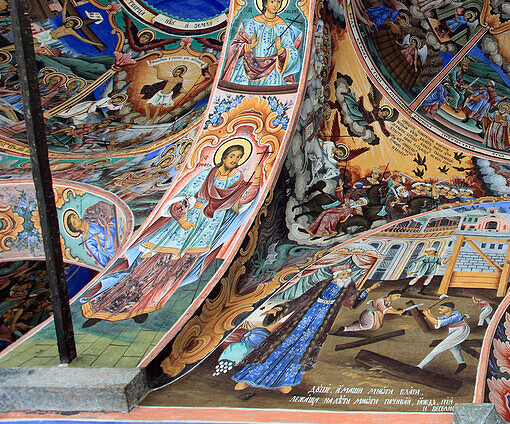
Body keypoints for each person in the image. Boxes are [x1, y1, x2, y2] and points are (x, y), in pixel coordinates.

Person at [81, 138, 259, 324]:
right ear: (223, 157)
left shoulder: (237, 180)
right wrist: (182, 219)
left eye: (239, 157)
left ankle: (146, 305)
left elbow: (240, 205)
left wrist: (254, 184)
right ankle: (110, 304)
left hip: (206, 231)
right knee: (151, 265)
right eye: (232, 156)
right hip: (182, 228)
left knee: (175, 272)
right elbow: (183, 196)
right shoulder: (206, 174)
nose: (235, 160)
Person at [232, 264, 362, 393]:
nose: (346, 277)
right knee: (279, 347)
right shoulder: (322, 284)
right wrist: (279, 309)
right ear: (335, 276)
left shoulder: (348, 287)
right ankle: (248, 378)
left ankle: (285, 382)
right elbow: (301, 299)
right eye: (343, 275)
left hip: (320, 324)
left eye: (347, 274)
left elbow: (351, 302)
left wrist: (364, 294)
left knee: (301, 351)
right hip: (302, 319)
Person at [226, 0, 303, 86]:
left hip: (272, 72)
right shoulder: (252, 23)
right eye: (272, 1)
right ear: (265, 4)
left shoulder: (282, 25)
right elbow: (234, 46)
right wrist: (249, 46)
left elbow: (292, 52)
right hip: (248, 67)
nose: (276, 5)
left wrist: (280, 49)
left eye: (279, 1)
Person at [417, 302, 469, 374]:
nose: (439, 309)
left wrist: (426, 315)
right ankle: (461, 363)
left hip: (460, 331)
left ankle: (420, 366)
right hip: (454, 330)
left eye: (442, 308)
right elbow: (438, 320)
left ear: (449, 308)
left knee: (438, 349)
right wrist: (429, 314)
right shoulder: (448, 314)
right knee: (453, 346)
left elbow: (437, 323)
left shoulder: (456, 315)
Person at [62, 202, 117, 268]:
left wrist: (106, 220)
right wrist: (100, 246)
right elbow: (103, 261)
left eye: (74, 217)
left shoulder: (89, 216)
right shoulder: (88, 241)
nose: (77, 219)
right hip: (114, 246)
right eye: (74, 222)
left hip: (116, 225)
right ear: (76, 229)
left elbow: (104, 208)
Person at [339, 284, 405, 334]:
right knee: (367, 326)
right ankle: (345, 329)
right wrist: (397, 312)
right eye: (397, 296)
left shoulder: (388, 301)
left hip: (374, 315)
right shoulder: (381, 300)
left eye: (399, 296)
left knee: (370, 326)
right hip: (369, 314)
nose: (398, 298)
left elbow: (390, 308)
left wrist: (398, 311)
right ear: (390, 295)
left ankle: (357, 324)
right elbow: (385, 310)